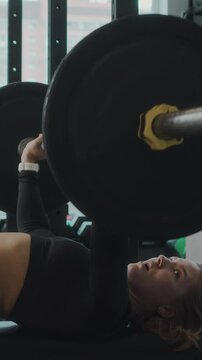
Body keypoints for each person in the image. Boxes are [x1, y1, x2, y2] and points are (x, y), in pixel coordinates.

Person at [0, 134, 202, 351]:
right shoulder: (90, 290)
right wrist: (28, 162)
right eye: (173, 259)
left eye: (176, 274)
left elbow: (107, 216)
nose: (164, 259)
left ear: (167, 310)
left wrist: (119, 142)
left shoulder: (110, 310)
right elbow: (34, 230)